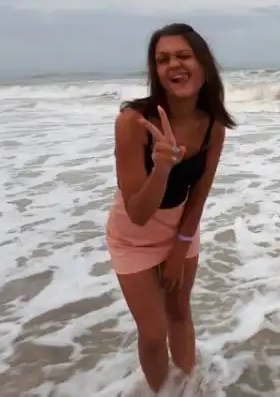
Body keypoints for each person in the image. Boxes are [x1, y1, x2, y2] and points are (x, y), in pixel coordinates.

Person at [105, 23, 237, 393]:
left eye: (183, 55)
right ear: (156, 72)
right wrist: (162, 168)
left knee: (180, 313)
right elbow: (138, 212)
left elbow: (199, 194)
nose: (173, 65)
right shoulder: (133, 122)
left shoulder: (213, 125)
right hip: (132, 237)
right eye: (162, 59)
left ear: (203, 63)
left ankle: (189, 387)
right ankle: (162, 392)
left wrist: (180, 247)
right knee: (153, 331)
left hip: (181, 228)